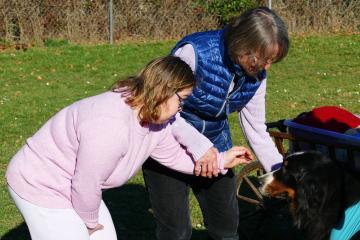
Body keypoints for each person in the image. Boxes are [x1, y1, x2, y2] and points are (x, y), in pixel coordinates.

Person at [5, 56, 253, 240]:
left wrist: (220, 161)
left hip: (74, 184)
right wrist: (90, 225)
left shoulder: (155, 120)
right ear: (164, 91)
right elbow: (86, 183)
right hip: (40, 183)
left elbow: (173, 155)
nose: (182, 108)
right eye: (182, 100)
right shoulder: (111, 126)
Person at [142, 7, 290, 240]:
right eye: (263, 59)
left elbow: (255, 127)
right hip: (167, 141)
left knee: (227, 230)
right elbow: (160, 108)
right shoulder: (194, 53)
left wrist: (281, 172)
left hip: (216, 145)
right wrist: (199, 147)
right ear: (243, 44)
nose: (266, 67)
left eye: (272, 60)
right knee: (176, 233)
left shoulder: (258, 75)